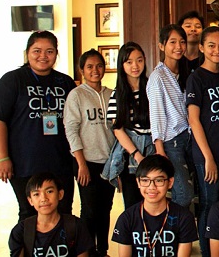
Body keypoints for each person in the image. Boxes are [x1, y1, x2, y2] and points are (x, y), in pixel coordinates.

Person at [0, 31, 77, 221]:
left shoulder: (66, 82)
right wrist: (2, 158)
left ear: (56, 54)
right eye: (37, 50)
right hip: (25, 164)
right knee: (29, 214)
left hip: (61, 162)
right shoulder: (12, 81)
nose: (43, 56)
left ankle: (60, 251)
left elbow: (76, 122)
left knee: (63, 212)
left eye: (49, 51)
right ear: (27, 52)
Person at [63, 49, 115, 257]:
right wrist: (81, 164)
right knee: (90, 210)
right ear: (82, 70)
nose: (95, 70)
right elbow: (71, 130)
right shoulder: (76, 95)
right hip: (86, 161)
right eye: (90, 66)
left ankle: (102, 250)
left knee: (106, 208)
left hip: (109, 162)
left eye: (99, 66)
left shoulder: (111, 94)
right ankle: (86, 251)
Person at [186, 26, 219, 257]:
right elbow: (193, 119)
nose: (217, 50)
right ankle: (206, 251)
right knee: (208, 203)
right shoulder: (196, 78)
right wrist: (208, 158)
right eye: (211, 45)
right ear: (202, 47)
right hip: (206, 154)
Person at [112, 154, 198, 257]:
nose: (151, 187)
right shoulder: (126, 219)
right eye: (145, 180)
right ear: (138, 183)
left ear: (170, 182)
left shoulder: (184, 217)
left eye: (159, 180)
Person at [147, 24, 194, 208]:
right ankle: (173, 232)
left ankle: (183, 233)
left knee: (190, 191)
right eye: (172, 42)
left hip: (188, 138)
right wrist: (159, 149)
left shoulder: (184, 73)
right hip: (170, 142)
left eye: (182, 42)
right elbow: (156, 113)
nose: (179, 46)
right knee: (183, 194)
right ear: (161, 46)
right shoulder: (158, 77)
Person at [104, 42, 155, 209]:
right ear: (122, 65)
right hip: (130, 153)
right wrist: (137, 155)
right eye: (129, 62)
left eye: (139, 60)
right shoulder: (118, 94)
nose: (135, 66)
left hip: (154, 147)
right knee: (133, 205)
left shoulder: (151, 87)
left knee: (154, 202)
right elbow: (117, 129)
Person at [9, 173, 94, 257]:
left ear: (60, 194)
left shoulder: (76, 226)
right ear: (30, 200)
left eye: (49, 191)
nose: (43, 198)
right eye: (36, 194)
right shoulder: (21, 231)